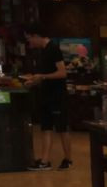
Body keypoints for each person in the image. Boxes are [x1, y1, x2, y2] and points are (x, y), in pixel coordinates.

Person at [24, 23, 71, 171]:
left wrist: (42, 77)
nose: (29, 42)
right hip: (46, 95)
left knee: (62, 128)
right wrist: (34, 81)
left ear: (37, 36)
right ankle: (45, 160)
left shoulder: (53, 49)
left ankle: (68, 159)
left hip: (57, 95)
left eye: (30, 38)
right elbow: (44, 75)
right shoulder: (42, 51)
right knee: (46, 127)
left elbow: (62, 73)